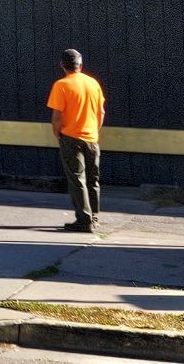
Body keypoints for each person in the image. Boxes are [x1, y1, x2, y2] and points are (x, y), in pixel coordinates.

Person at [48, 47, 106, 232]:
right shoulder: (93, 83)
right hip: (91, 138)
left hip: (71, 137)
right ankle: (94, 217)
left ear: (62, 66)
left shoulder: (61, 85)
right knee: (93, 179)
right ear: (80, 65)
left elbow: (57, 115)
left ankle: (84, 220)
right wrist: (94, 131)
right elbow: (101, 112)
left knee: (77, 179)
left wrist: (57, 133)